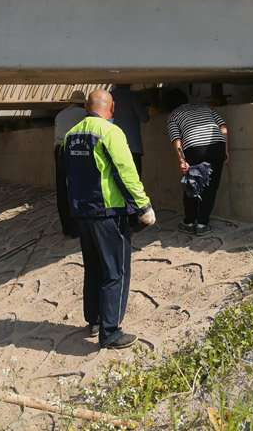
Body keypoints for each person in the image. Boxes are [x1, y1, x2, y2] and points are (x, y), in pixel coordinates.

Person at [63, 89, 156, 349]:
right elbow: (126, 172)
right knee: (115, 271)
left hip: (82, 211)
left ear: (85, 107)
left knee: (93, 267)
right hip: (107, 212)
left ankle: (94, 320)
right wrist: (143, 206)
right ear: (112, 107)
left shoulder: (71, 135)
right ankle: (111, 332)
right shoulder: (110, 132)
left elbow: (66, 173)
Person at [165, 89, 229, 236]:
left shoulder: (173, 116)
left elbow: (176, 139)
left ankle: (188, 222)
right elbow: (223, 126)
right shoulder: (204, 107)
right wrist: (225, 149)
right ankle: (202, 224)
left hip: (195, 147)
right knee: (211, 187)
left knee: (192, 185)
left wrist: (182, 160)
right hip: (217, 144)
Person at [109, 84, 150, 230]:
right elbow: (144, 118)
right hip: (131, 146)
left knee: (115, 184)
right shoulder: (132, 96)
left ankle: (120, 219)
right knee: (133, 183)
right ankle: (133, 221)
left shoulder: (108, 96)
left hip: (112, 147)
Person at [53, 90, 88, 237]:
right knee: (76, 187)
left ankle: (66, 227)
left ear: (70, 102)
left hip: (58, 149)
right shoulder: (82, 113)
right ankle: (76, 228)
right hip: (74, 148)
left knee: (62, 187)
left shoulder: (60, 115)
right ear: (83, 103)